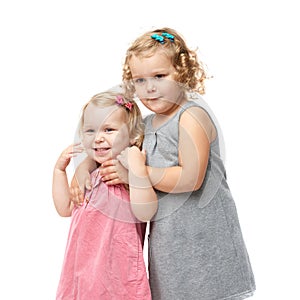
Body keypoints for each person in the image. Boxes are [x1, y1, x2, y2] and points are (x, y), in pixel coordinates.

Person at [72, 27, 256, 300]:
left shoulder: (192, 116)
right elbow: (111, 148)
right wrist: (83, 167)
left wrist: (137, 172)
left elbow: (190, 178)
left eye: (159, 76)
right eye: (140, 80)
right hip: (169, 247)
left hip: (206, 242)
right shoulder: (145, 126)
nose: (150, 88)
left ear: (181, 74)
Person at [52, 90, 157, 300]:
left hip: (118, 277)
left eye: (109, 130)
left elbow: (146, 212)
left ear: (133, 136)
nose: (98, 138)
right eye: (90, 131)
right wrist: (59, 171)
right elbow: (64, 208)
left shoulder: (130, 170)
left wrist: (133, 176)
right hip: (82, 274)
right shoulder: (88, 176)